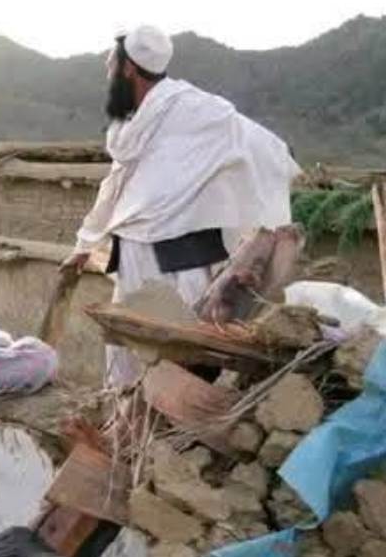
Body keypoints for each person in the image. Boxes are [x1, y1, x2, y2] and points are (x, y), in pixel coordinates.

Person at [61, 25, 301, 387]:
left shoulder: (195, 108)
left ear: (129, 68)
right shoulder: (130, 123)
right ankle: (122, 427)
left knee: (180, 354)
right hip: (134, 251)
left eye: (111, 63)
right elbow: (116, 183)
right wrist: (84, 244)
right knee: (125, 347)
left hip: (182, 254)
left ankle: (172, 433)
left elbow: (259, 142)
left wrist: (282, 166)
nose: (107, 71)